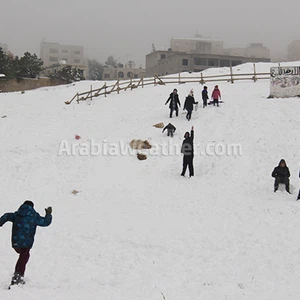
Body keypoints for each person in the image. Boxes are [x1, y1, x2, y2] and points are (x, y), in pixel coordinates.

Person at [0, 200, 52, 286]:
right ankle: (17, 277)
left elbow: (6, 216)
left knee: (24, 256)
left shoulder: (16, 215)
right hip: (26, 243)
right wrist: (48, 214)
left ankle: (18, 275)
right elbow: (46, 222)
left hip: (16, 242)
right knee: (24, 257)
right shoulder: (34, 216)